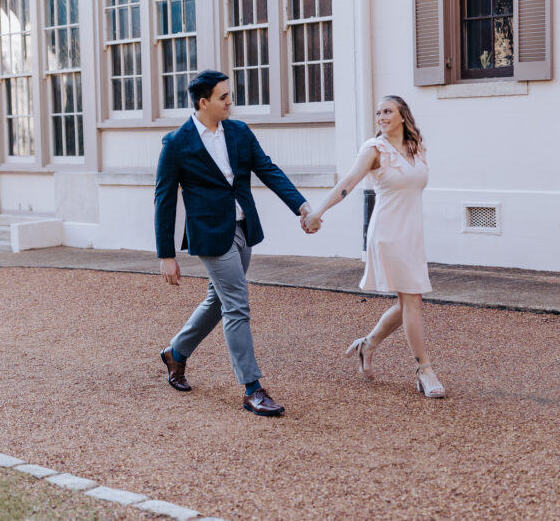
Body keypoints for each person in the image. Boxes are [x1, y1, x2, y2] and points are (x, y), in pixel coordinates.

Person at [155, 70, 316, 416]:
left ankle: (176, 353)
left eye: (229, 95)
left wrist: (301, 206)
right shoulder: (177, 143)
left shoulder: (239, 132)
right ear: (204, 102)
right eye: (223, 97)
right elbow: (164, 199)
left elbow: (268, 170)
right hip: (210, 235)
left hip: (244, 228)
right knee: (237, 305)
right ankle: (252, 388)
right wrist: (166, 254)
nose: (231, 102)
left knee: (220, 299)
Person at [303, 96, 445, 398]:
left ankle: (367, 345)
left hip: (413, 233)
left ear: (402, 116)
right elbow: (349, 182)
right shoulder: (373, 149)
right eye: (378, 112)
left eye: (388, 111)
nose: (381, 116)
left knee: (410, 300)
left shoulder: (416, 147)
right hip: (388, 233)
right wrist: (318, 212)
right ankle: (425, 370)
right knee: (412, 301)